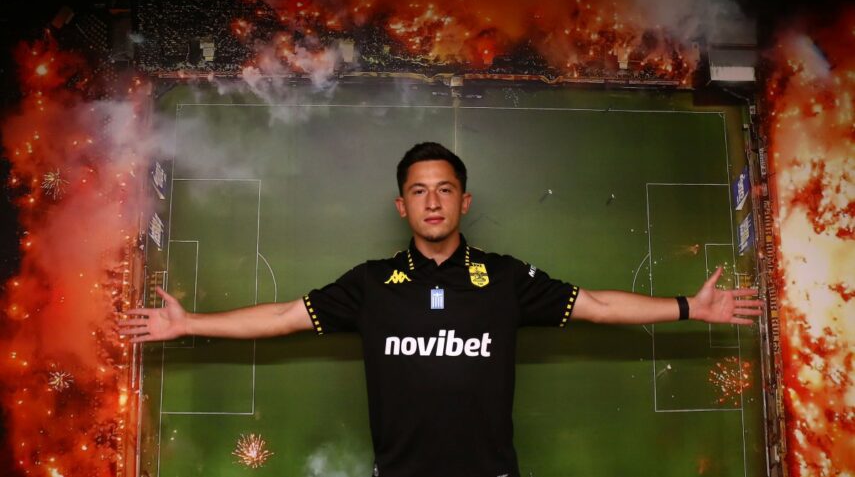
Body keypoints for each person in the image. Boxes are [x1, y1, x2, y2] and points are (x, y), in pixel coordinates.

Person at [120, 142, 764, 477]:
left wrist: (689, 306)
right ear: (401, 205)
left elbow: (595, 304)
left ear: (464, 201)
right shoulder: (371, 284)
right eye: (419, 191)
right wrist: (188, 323)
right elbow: (283, 316)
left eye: (445, 190)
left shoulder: (506, 278)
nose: (432, 202)